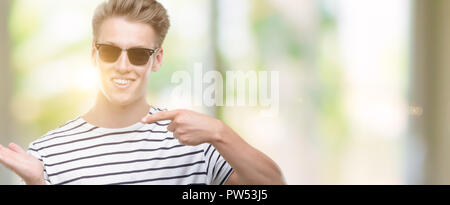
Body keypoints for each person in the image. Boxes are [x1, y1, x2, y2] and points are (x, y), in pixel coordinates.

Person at [0, 0, 284, 185]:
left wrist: (221, 133)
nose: (123, 66)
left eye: (138, 54)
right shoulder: (47, 155)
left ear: (157, 59)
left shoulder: (196, 143)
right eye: (110, 51)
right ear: (93, 55)